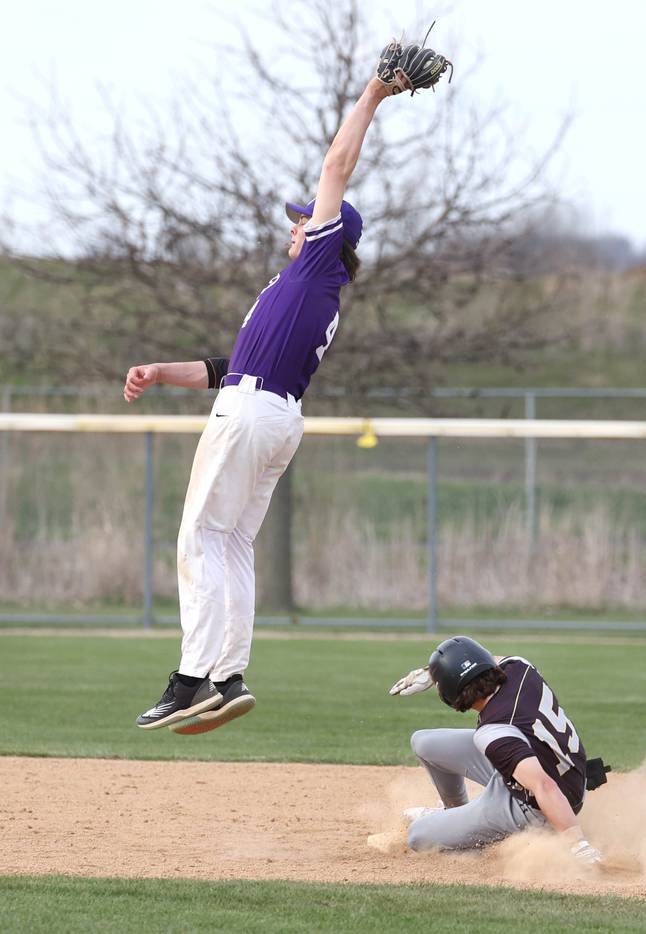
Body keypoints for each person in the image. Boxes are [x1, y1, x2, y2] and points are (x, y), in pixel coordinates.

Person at [123, 44, 434, 734]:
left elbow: (336, 166)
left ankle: (190, 680)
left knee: (199, 537)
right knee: (230, 544)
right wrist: (157, 370)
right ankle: (228, 675)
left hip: (253, 411)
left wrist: (373, 95)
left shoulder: (319, 263)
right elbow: (222, 367)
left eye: (306, 218)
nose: (297, 224)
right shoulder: (298, 291)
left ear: (325, 234)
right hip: (269, 411)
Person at [389, 636, 608, 864]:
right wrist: (435, 673)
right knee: (424, 742)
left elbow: (544, 785)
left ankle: (468, 841)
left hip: (538, 804)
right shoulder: (520, 667)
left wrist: (578, 844)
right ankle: (454, 812)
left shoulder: (493, 733)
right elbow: (484, 661)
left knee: (417, 835)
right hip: (545, 763)